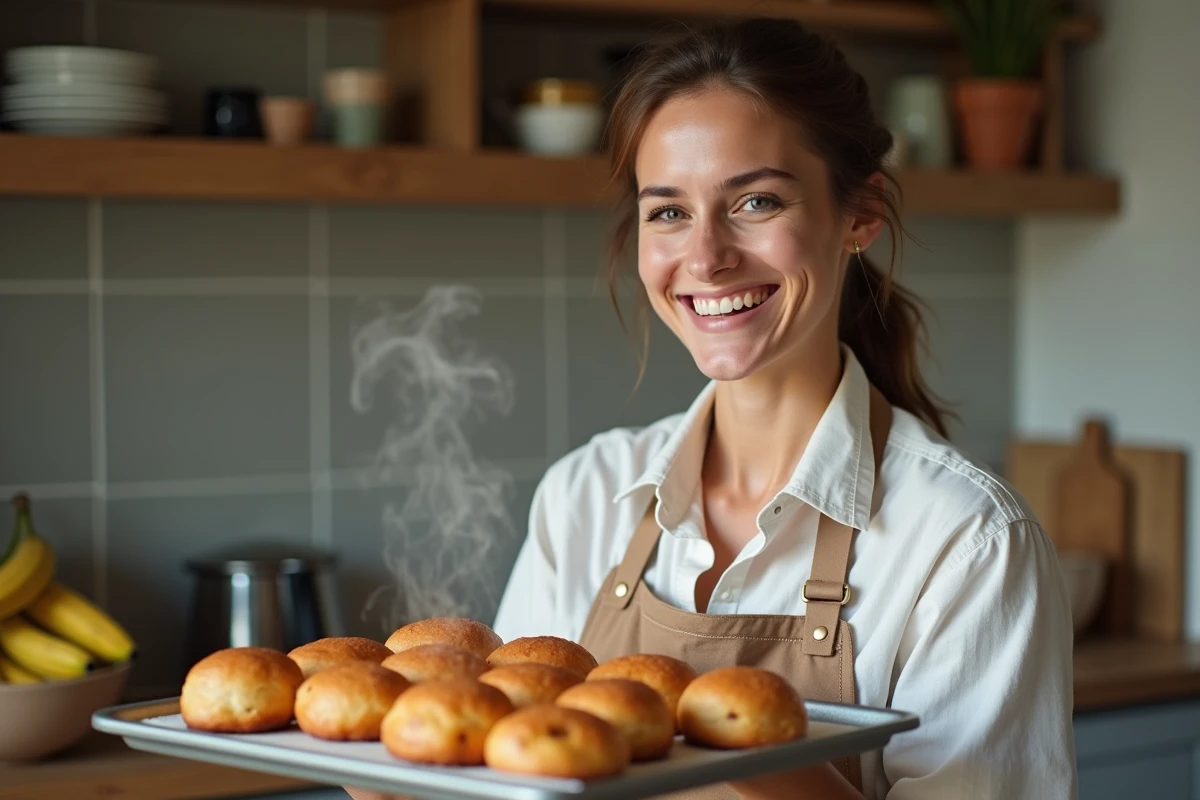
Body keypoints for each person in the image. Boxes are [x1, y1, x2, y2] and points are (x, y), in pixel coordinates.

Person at [350, 15, 1076, 800]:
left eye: (756, 201)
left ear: (859, 216)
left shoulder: (964, 542)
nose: (705, 256)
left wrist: (739, 754)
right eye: (668, 211)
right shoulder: (587, 496)